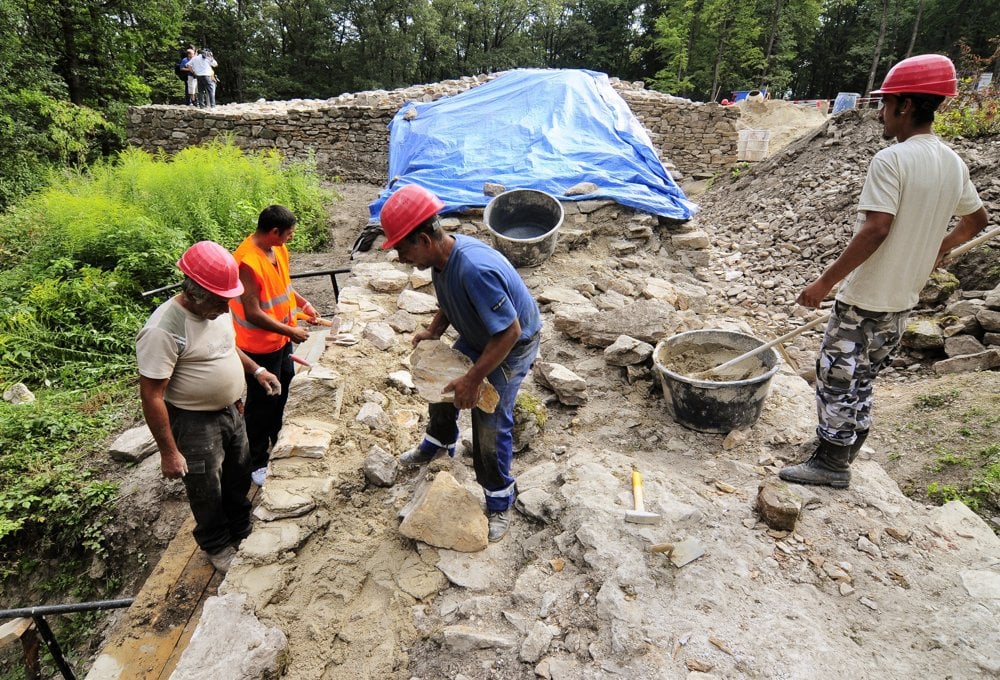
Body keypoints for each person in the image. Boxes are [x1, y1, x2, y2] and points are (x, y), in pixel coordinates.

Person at [779, 54, 988, 489]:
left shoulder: (892, 160)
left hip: (866, 298)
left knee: (837, 378)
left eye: (886, 103)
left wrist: (824, 283)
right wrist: (939, 248)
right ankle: (843, 446)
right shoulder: (952, 161)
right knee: (864, 377)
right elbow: (976, 221)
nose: (881, 112)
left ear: (906, 105)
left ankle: (832, 464)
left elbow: (876, 229)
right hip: (902, 300)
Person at [380, 184, 542, 542]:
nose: (399, 257)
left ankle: (500, 499)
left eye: (402, 248)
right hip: (482, 332)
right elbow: (451, 299)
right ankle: (438, 440)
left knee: (488, 417)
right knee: (439, 377)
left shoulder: (473, 268)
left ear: (423, 239)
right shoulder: (440, 259)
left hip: (510, 344)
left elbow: (510, 332)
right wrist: (434, 332)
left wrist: (473, 378)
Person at [136, 241, 281, 572]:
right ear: (195, 293)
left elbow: (227, 347)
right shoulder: (163, 330)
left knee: (238, 472)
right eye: (220, 301)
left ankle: (242, 528)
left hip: (232, 410)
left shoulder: (214, 310)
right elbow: (152, 395)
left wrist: (256, 371)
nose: (227, 309)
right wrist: (169, 452)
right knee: (206, 487)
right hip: (194, 421)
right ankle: (216, 544)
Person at [230, 205, 318, 487]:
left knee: (285, 388)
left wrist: (303, 304)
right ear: (273, 231)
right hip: (258, 346)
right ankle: (257, 460)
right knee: (261, 403)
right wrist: (291, 330)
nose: (291, 239)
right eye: (288, 234)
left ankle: (279, 437)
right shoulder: (246, 262)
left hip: (280, 341)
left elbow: (283, 285)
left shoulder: (276, 249)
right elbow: (254, 312)